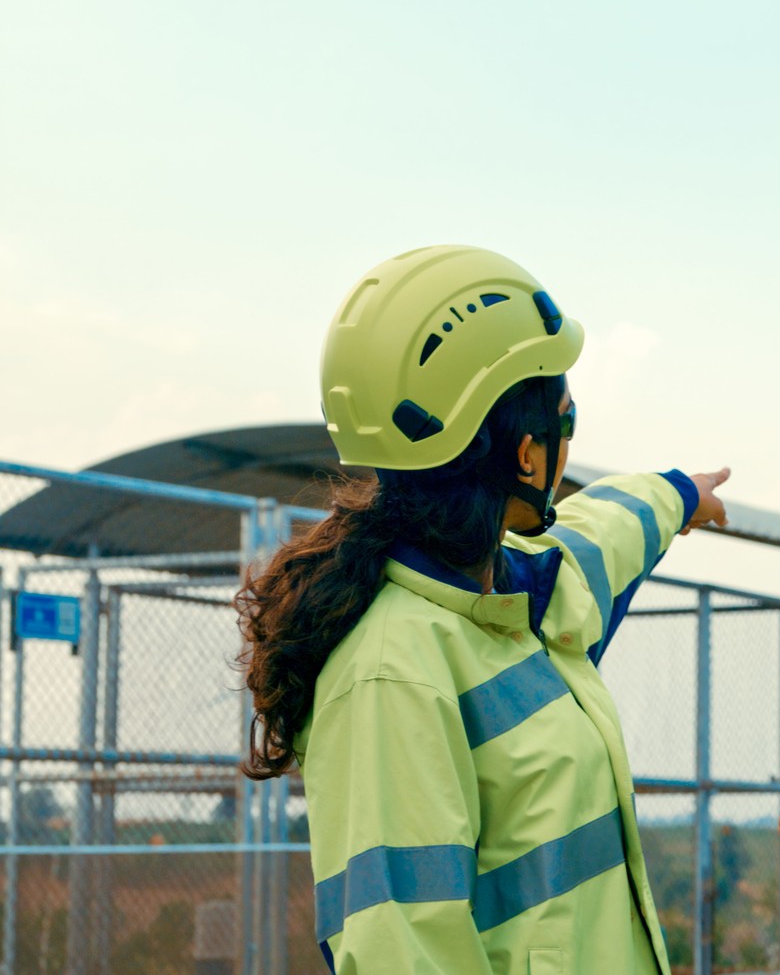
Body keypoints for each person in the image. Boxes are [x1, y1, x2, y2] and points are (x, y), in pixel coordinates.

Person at [237, 244, 729, 973]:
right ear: (528, 457)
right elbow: (401, 949)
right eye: (566, 417)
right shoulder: (391, 676)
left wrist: (677, 496)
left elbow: (603, 532)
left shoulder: (514, 592)